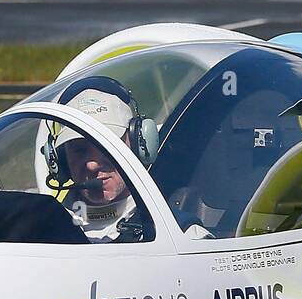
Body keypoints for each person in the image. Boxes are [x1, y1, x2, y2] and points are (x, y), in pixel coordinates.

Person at [54, 87, 211, 242]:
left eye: (105, 146)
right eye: (79, 150)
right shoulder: (37, 232)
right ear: (60, 158)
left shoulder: (183, 237)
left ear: (139, 144)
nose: (92, 166)